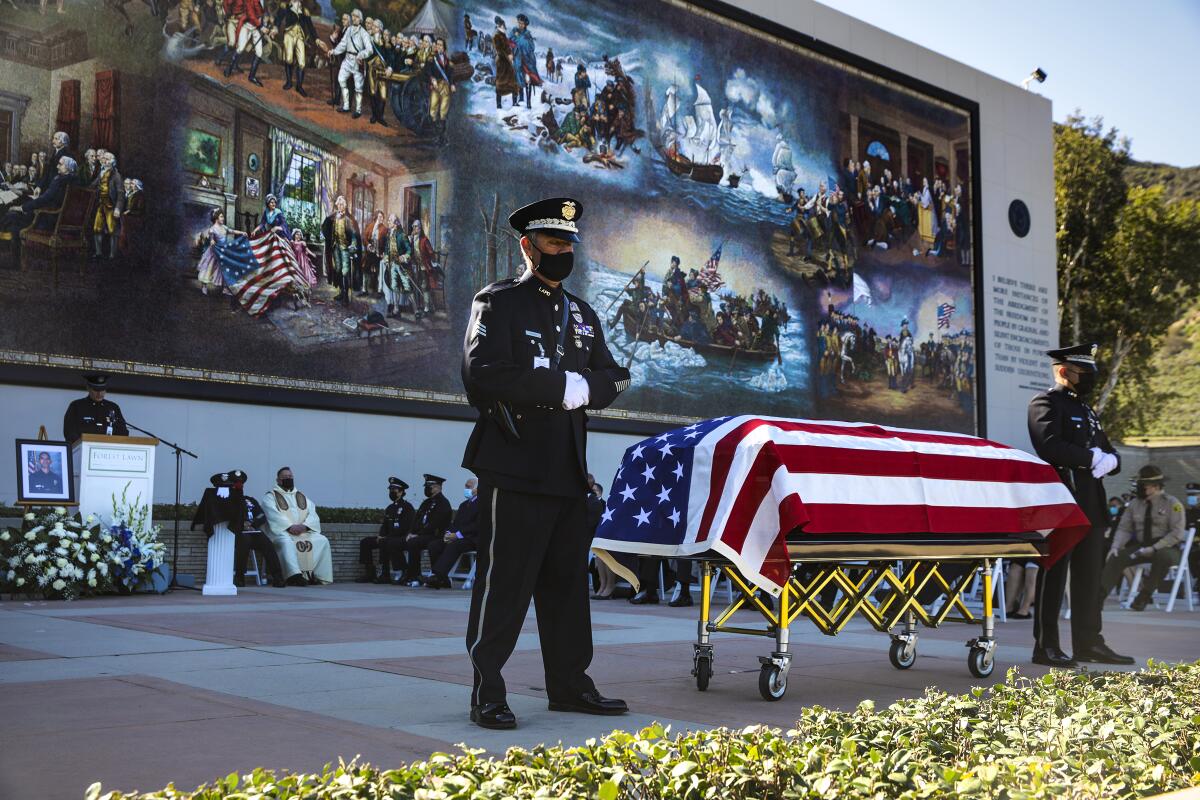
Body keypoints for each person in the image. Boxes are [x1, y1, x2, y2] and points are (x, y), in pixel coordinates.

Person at [461, 196, 631, 729]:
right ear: (527, 246)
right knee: (504, 585)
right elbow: (481, 374)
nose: (563, 252)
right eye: (554, 243)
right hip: (514, 469)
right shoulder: (499, 303)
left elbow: (613, 375)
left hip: (567, 472)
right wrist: (564, 386)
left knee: (566, 589)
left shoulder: (582, 314)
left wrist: (588, 385)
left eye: (568, 244)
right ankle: (487, 689)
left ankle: (569, 684)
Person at [1027, 343, 1133, 667]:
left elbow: (1107, 449)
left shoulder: (1087, 410)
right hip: (1063, 502)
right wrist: (1091, 457)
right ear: (1063, 371)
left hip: (1091, 503)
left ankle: (1089, 643)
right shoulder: (1046, 403)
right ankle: (1046, 647)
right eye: (1083, 372)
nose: (1088, 378)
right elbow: (1048, 445)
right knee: (1055, 574)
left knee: (1089, 578)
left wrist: (1112, 460)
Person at [1100, 465, 1186, 611]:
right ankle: (1098, 598)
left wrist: (1154, 548)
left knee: (1162, 556)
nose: (1140, 488)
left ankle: (1144, 596)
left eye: (1143, 485)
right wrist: (1115, 546)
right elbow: (1124, 528)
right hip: (1141, 547)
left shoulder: (1172, 503)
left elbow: (1177, 533)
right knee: (1117, 557)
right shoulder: (1135, 504)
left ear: (1154, 486)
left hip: (1167, 548)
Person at [261, 466, 333, 585]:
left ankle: (314, 575)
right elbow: (273, 515)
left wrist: (305, 526)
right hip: (282, 532)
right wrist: (290, 527)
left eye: (290, 477)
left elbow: (312, 514)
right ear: (278, 480)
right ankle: (293, 576)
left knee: (322, 540)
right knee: (286, 542)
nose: (288, 479)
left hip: (302, 531)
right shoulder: (270, 497)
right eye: (285, 477)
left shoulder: (301, 496)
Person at [357, 477, 415, 583]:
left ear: (401, 492)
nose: (391, 492)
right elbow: (385, 525)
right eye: (390, 490)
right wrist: (381, 535)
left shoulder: (407, 507)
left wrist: (386, 537)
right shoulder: (390, 508)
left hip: (400, 538)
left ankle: (386, 574)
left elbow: (406, 527)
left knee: (386, 542)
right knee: (365, 542)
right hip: (388, 538)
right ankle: (370, 573)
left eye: (394, 490)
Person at [424, 478, 480, 588]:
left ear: (477, 489)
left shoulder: (483, 504)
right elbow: (455, 523)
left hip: (472, 539)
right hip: (459, 537)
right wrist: (448, 533)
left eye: (468, 487)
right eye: (465, 486)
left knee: (454, 545)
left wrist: (457, 535)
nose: (466, 489)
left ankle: (438, 575)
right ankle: (443, 579)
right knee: (434, 545)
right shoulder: (463, 505)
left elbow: (476, 526)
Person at [399, 474, 453, 585]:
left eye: (430, 486)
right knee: (409, 541)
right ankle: (412, 574)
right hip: (424, 535)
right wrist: (411, 532)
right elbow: (417, 520)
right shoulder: (426, 502)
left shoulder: (443, 503)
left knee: (415, 542)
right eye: (426, 486)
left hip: (436, 535)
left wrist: (418, 535)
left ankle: (419, 575)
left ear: (438, 487)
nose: (427, 489)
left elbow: (434, 524)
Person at [320, 195, 362, 304]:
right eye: (338, 204)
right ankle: (341, 292)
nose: (340, 206)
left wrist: (352, 245)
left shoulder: (348, 219)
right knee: (338, 270)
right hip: (336, 247)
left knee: (345, 271)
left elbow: (353, 235)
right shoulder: (334, 218)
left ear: (345, 205)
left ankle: (346, 297)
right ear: (336, 205)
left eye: (342, 204)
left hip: (345, 249)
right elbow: (327, 228)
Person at [63, 373, 129, 442]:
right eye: (96, 390)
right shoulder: (76, 406)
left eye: (102, 389)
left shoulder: (113, 407)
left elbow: (123, 432)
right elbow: (69, 433)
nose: (100, 393)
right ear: (88, 388)